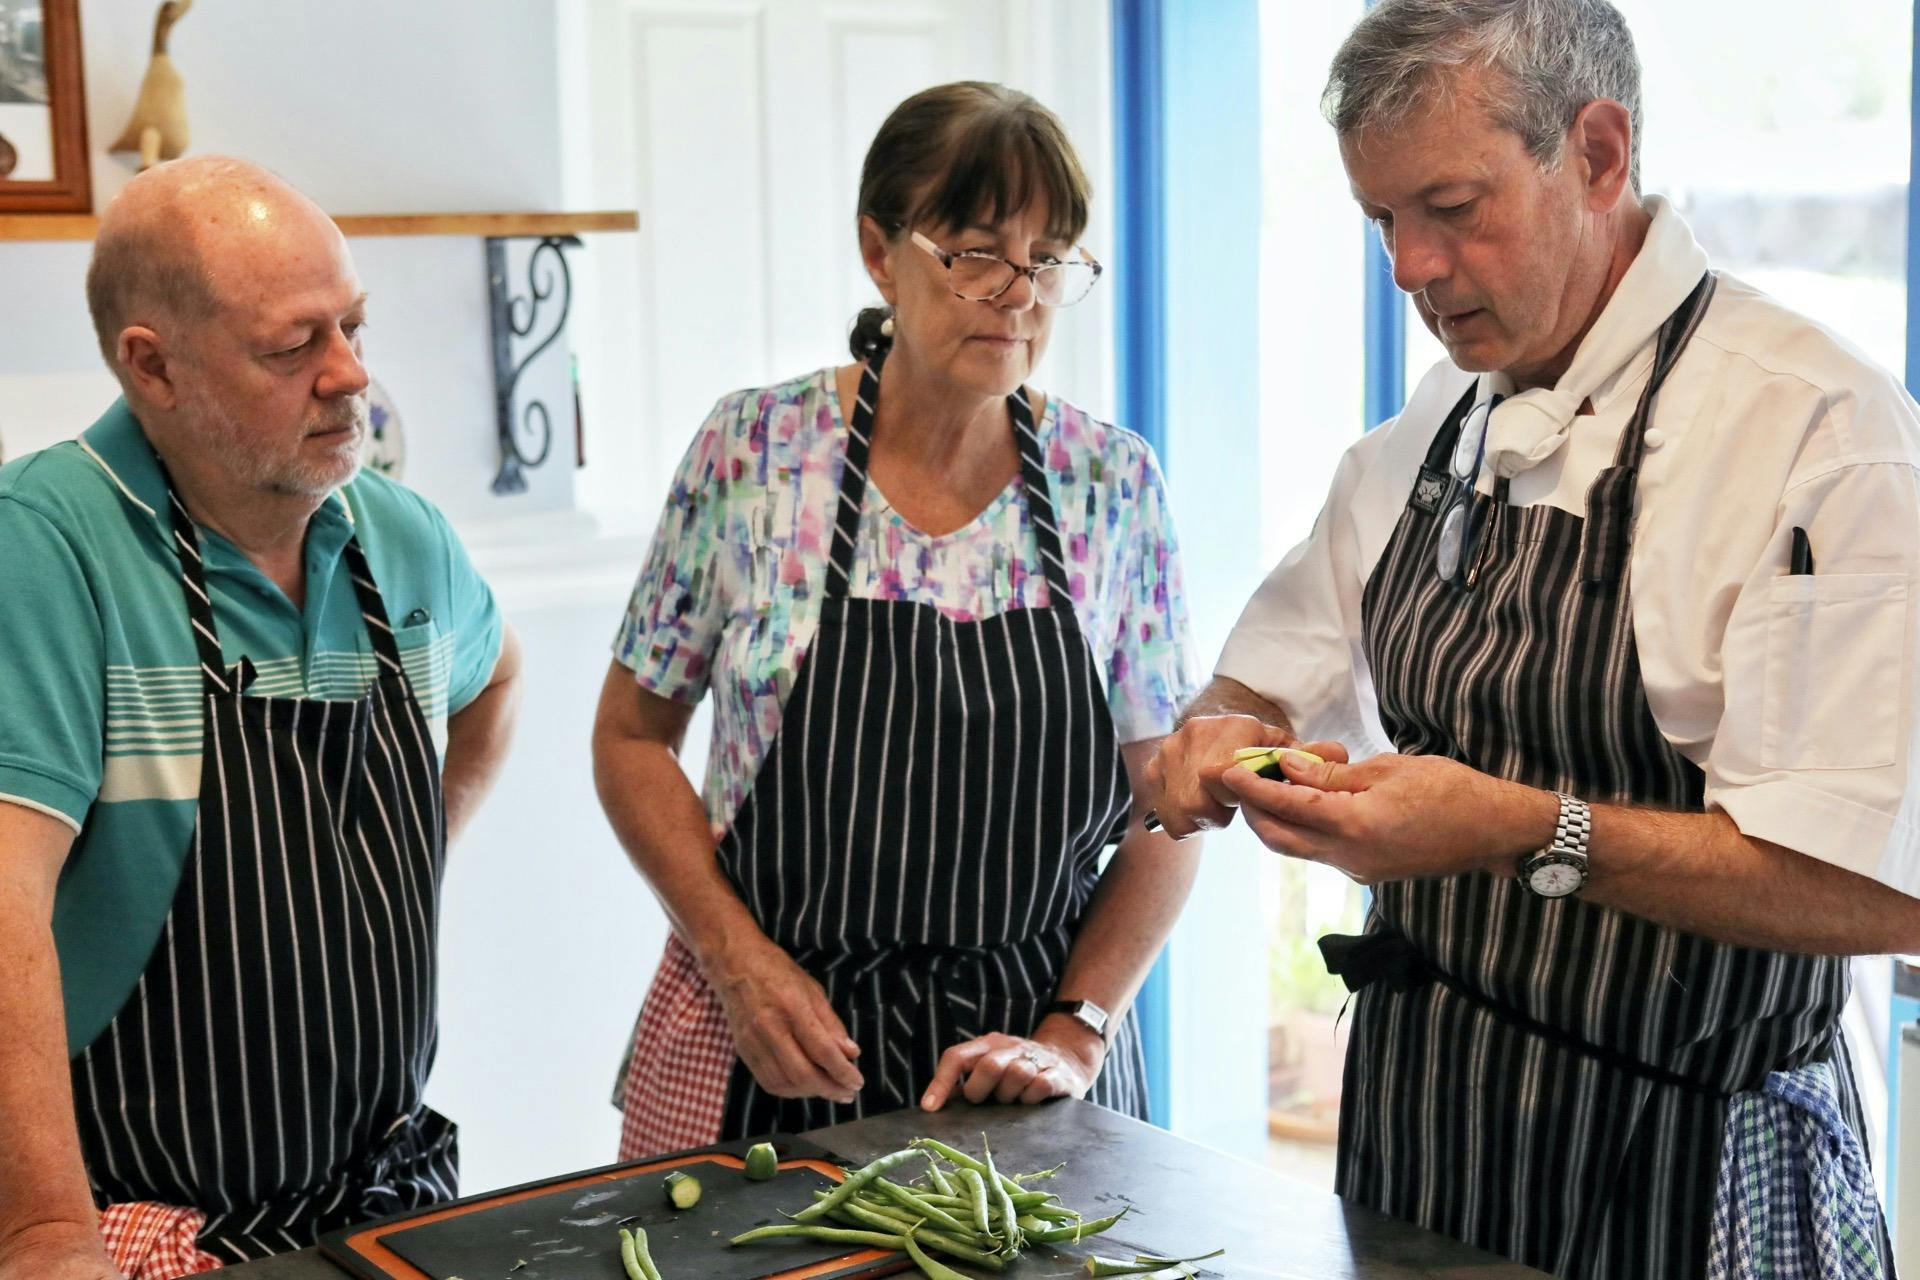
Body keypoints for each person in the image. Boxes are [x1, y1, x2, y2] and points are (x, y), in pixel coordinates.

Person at [1144, 2, 1919, 1277]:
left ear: (1600, 154)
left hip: (1686, 1172)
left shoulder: (1816, 431)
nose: (1407, 265)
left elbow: (1880, 886)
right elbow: (1259, 681)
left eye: (1450, 206)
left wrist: (1520, 826)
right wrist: (1222, 738)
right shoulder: (1437, 423)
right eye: (1381, 219)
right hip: (1424, 1141)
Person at [595, 81, 1198, 1155]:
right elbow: (632, 737)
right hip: (781, 1046)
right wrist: (737, 961)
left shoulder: (1112, 482)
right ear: (881, 252)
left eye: (1049, 256)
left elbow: (1167, 810)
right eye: (974, 250)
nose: (1017, 294)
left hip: (1032, 1068)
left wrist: (1079, 1027)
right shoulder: (756, 451)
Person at [0, 157, 522, 1278]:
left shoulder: (402, 535)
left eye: (354, 326)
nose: (351, 376)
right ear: (154, 366)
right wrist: (41, 1232)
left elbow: (497, 679)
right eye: (294, 346)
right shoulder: (44, 550)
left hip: (387, 1206)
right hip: (139, 1226)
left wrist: (418, 847)